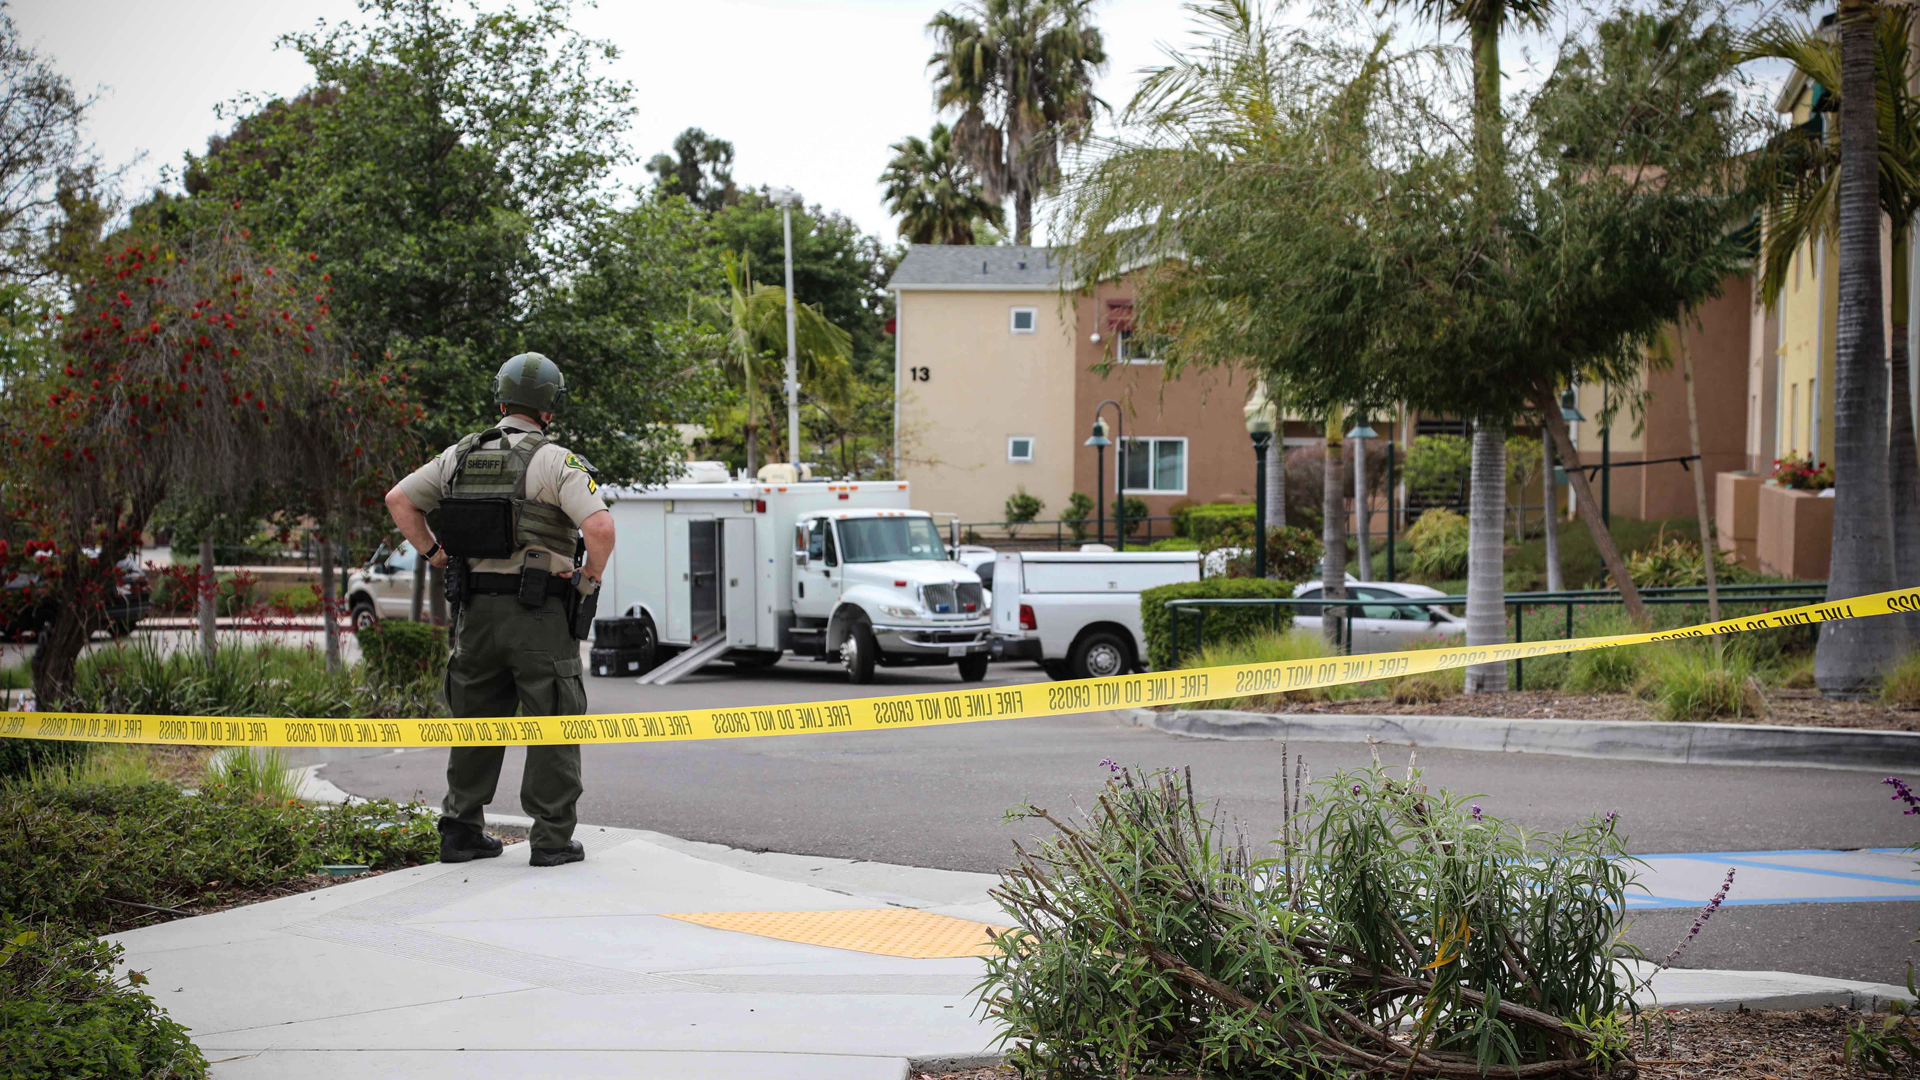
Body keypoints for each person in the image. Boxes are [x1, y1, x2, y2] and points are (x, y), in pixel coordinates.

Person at [383, 352, 616, 867]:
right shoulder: (556, 461)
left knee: (475, 722)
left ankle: (462, 832)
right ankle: (552, 840)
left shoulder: (459, 456)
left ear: (501, 398)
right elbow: (599, 529)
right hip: (539, 614)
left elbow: (399, 499)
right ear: (549, 407)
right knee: (553, 720)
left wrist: (435, 554)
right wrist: (588, 580)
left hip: (474, 617)